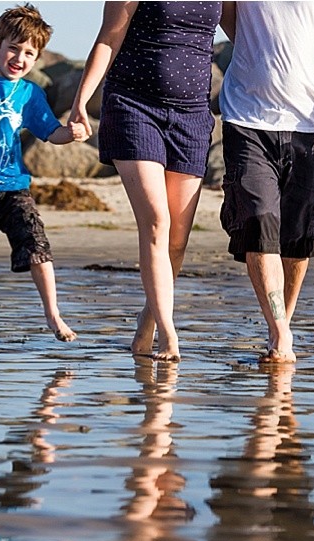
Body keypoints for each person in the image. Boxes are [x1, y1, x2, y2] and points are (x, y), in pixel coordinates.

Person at [217, 1, 314, 364]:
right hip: (248, 116)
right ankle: (278, 331)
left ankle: (282, 323)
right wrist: (263, 49)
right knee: (258, 221)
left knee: (299, 235)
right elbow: (227, 13)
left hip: (312, 121)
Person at [67, 1, 223, 362]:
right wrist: (81, 102)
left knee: (178, 241)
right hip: (134, 106)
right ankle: (169, 336)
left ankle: (149, 320)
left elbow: (249, 34)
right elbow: (110, 37)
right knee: (157, 221)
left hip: (192, 115)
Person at [0, 1, 86, 352]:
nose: (19, 58)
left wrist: (74, 133)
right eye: (13, 48)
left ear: (36, 60)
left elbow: (51, 133)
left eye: (28, 53)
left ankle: (53, 314)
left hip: (13, 188)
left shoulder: (30, 95)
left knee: (37, 245)